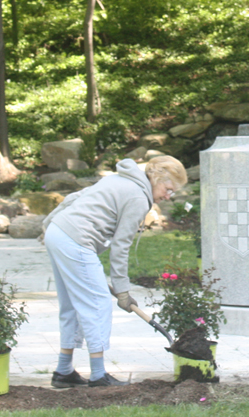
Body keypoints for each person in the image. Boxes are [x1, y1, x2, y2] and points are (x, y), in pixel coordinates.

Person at [43, 155, 188, 388]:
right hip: (76, 239)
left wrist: (48, 225)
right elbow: (120, 247)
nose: (168, 196)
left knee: (71, 304)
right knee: (97, 303)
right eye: (168, 189)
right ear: (157, 178)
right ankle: (99, 375)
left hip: (59, 231)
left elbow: (75, 197)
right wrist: (122, 291)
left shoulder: (120, 179)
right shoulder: (138, 197)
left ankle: (63, 371)